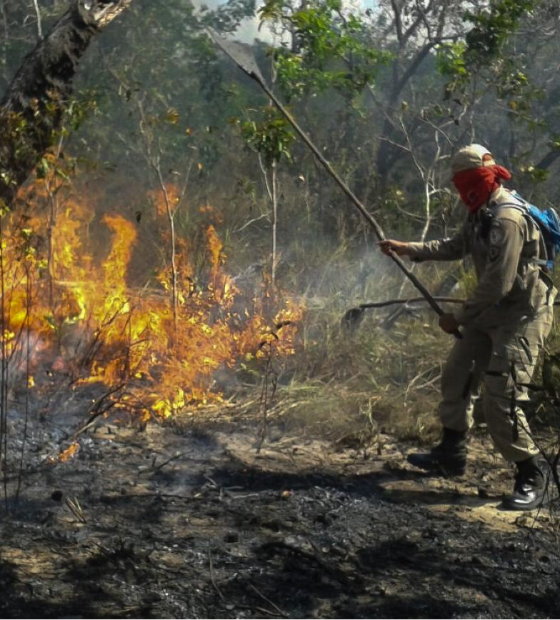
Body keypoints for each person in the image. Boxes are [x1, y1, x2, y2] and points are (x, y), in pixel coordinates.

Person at [379, 144, 556, 511]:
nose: (463, 191)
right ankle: (451, 453)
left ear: (483, 180)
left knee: (502, 394)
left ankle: (531, 474)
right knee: (457, 374)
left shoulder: (507, 218)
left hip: (522, 314)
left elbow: (499, 283)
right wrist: (408, 248)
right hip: (491, 311)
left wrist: (456, 317)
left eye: (467, 183)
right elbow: (457, 245)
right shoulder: (481, 211)